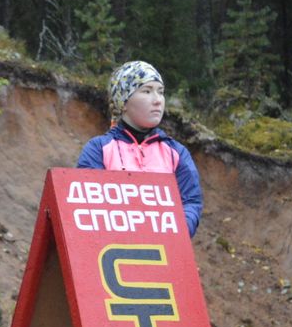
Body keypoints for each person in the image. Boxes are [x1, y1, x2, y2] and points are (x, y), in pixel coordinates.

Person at [76, 60, 203, 236]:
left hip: (165, 249)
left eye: (160, 92)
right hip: (113, 248)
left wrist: (177, 231)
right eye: (147, 91)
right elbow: (88, 206)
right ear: (124, 102)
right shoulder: (99, 149)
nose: (157, 100)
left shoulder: (176, 152)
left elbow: (191, 202)